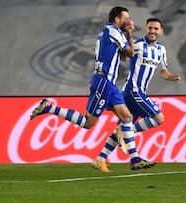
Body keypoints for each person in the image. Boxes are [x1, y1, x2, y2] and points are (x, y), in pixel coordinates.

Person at [29, 6, 155, 171]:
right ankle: (49, 108)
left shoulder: (105, 33)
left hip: (108, 84)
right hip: (104, 83)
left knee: (127, 117)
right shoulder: (114, 31)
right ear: (116, 19)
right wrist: (129, 34)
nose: (128, 21)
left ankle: (132, 159)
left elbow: (123, 57)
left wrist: (126, 37)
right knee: (88, 122)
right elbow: (130, 53)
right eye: (125, 18)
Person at [93, 17, 182, 172]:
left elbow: (163, 72)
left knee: (122, 127)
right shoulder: (139, 45)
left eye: (156, 29)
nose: (152, 31)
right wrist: (127, 40)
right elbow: (125, 56)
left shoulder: (161, 50)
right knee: (159, 118)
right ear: (146, 29)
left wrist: (172, 76)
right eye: (150, 28)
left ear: (161, 31)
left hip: (135, 93)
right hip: (133, 91)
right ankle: (128, 142)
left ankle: (100, 159)